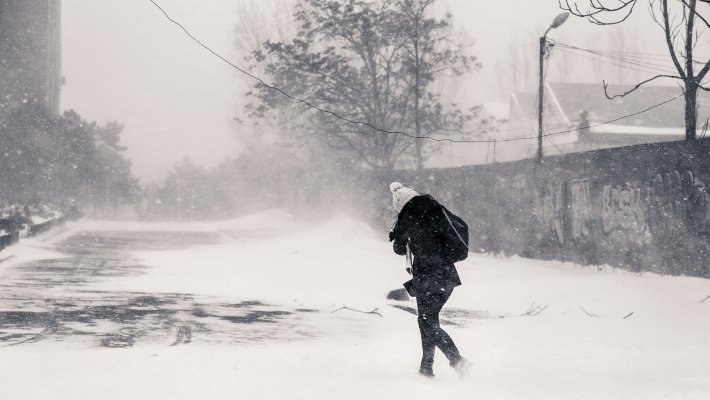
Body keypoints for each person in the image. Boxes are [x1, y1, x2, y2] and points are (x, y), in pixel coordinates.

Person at [388, 182, 469, 378]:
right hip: (447, 275)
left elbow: (398, 249)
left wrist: (400, 234)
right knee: (428, 320)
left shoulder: (407, 219)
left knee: (427, 322)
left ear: (400, 205)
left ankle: (457, 360)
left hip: (427, 276)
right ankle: (426, 368)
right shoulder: (436, 210)